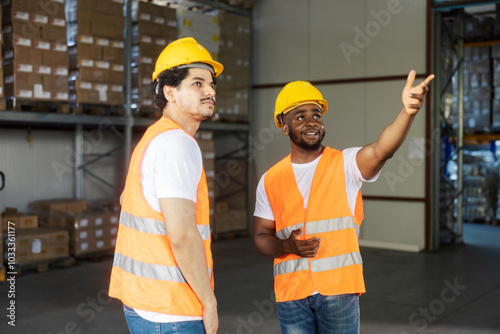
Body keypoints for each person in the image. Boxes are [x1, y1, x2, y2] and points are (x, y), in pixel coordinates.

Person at [253, 70, 434, 333]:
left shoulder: (345, 164)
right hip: (292, 293)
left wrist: (407, 112)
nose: (311, 122)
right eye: (300, 117)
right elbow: (260, 236)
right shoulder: (271, 179)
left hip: (338, 292)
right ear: (284, 127)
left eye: (316, 115)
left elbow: (382, 149)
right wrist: (285, 245)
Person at [109, 37, 223, 334]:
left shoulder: (155, 137)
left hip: (144, 300)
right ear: (170, 91)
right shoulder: (177, 144)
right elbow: (183, 235)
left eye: (211, 84)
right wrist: (209, 304)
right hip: (171, 310)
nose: (210, 90)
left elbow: (126, 198)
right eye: (197, 83)